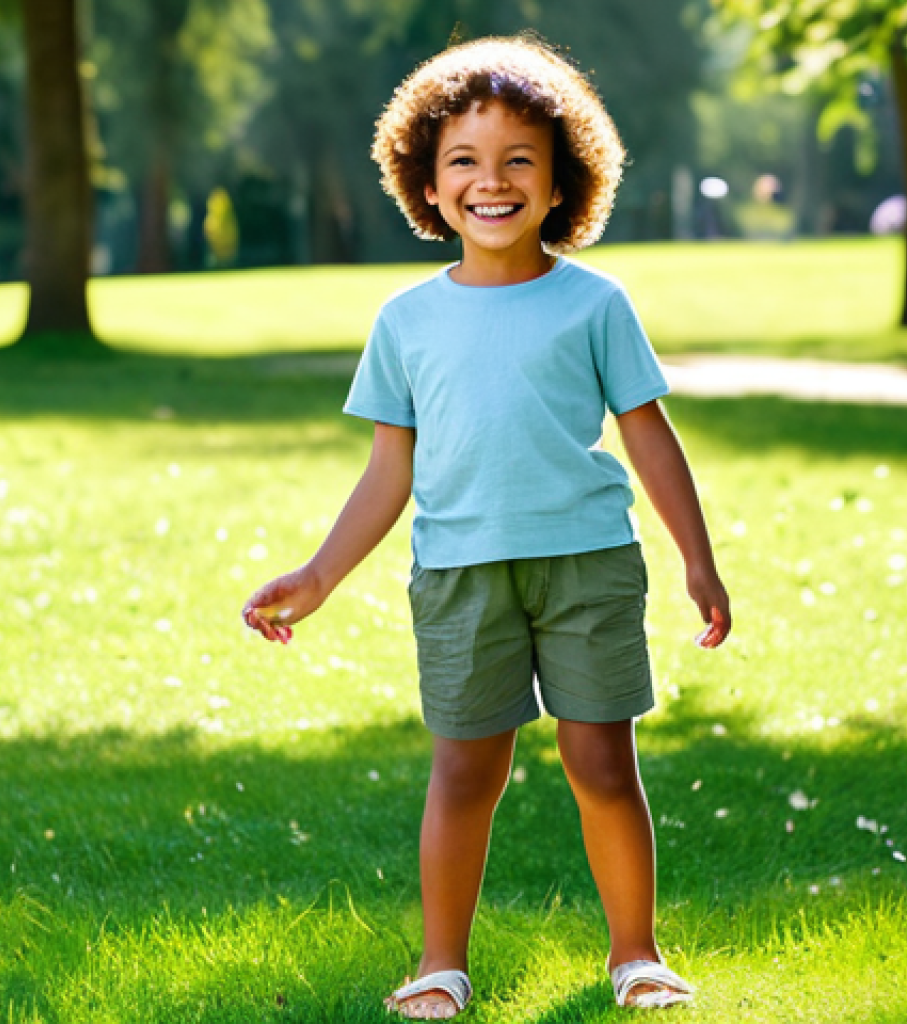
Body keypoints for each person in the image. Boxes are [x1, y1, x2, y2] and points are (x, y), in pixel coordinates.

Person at [242, 34, 731, 1019]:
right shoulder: (406, 321)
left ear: (561, 182)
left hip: (588, 565)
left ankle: (635, 956)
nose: (491, 181)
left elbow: (649, 437)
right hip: (460, 575)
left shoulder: (593, 304)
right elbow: (390, 470)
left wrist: (697, 558)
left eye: (518, 160)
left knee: (603, 762)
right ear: (426, 181)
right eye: (463, 160)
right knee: (467, 770)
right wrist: (318, 574)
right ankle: (440, 965)